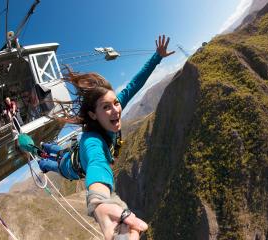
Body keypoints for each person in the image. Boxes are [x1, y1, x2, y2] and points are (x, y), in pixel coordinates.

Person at [35, 35, 174, 240]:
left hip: (73, 153)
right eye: (106, 107)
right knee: (55, 163)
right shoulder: (92, 141)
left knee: (62, 152)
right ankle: (43, 161)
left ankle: (47, 146)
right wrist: (100, 202)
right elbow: (97, 163)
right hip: (72, 166)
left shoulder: (112, 108)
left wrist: (157, 57)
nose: (115, 110)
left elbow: (135, 83)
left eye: (116, 103)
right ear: (93, 114)